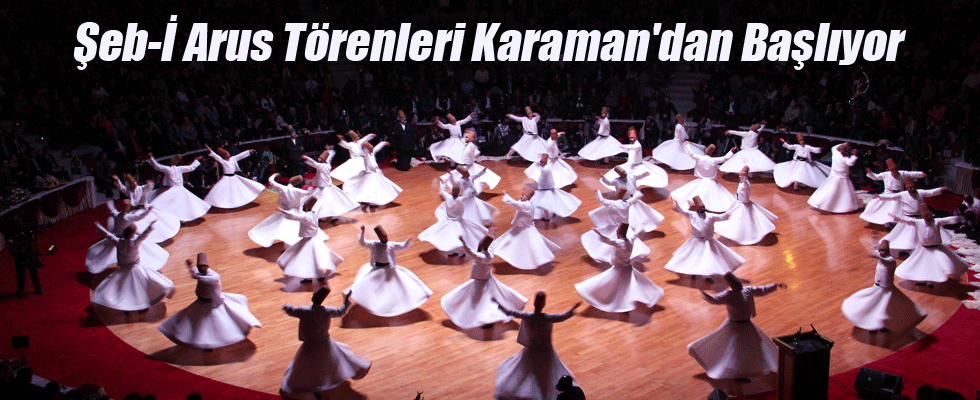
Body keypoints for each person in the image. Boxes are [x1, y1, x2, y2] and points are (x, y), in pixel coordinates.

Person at [687, 273, 787, 382]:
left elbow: (762, 290)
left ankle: (748, 369)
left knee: (749, 348)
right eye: (737, 284)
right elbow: (714, 300)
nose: (739, 285)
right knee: (738, 351)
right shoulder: (728, 295)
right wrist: (703, 292)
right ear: (732, 285)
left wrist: (775, 285)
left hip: (746, 325)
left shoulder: (747, 290)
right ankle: (738, 374)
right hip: (735, 326)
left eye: (739, 283)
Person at [157, 253, 263, 350]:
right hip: (201, 303)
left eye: (202, 267)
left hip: (212, 305)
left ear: (207, 267)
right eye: (200, 267)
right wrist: (190, 267)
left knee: (211, 325)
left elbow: (205, 279)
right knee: (200, 325)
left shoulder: (214, 276)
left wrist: (195, 275)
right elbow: (196, 273)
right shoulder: (201, 274)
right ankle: (206, 343)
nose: (201, 269)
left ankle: (211, 343)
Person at [280, 287, 371, 398]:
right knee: (327, 363)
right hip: (325, 343)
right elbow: (341, 311)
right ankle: (323, 384)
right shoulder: (327, 310)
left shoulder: (304, 310)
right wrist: (346, 301)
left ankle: (318, 387)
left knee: (311, 366)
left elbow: (291, 310)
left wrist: (286, 305)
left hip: (311, 345)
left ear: (313, 298)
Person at [494, 292, 581, 400]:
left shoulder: (528, 316)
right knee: (545, 376)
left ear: (534, 303)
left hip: (531, 351)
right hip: (546, 352)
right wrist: (573, 310)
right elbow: (562, 316)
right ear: (544, 304)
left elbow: (510, 312)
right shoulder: (548, 318)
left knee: (524, 372)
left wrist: (498, 303)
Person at [441, 235, 528, 330]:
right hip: (485, 279)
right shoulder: (488, 254)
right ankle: (487, 320)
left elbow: (470, 252)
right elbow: (489, 247)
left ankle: (486, 320)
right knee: (483, 301)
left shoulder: (483, 257)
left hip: (481, 282)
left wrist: (463, 243)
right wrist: (492, 236)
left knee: (481, 302)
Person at [575, 223, 664, 313]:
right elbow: (635, 234)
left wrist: (598, 234)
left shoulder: (619, 243)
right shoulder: (630, 240)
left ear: (619, 233)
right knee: (625, 287)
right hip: (628, 268)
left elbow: (607, 240)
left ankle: (614, 303)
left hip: (618, 269)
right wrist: (640, 229)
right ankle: (626, 305)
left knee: (605, 284)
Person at [841, 241, 926, 333]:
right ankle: (876, 325)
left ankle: (879, 325)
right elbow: (876, 250)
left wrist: (876, 257)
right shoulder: (882, 257)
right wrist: (874, 239)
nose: (881, 253)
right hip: (877, 287)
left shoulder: (890, 260)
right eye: (880, 251)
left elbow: (884, 261)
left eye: (883, 251)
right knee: (876, 307)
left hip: (886, 290)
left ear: (887, 251)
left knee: (883, 309)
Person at [346, 226, 432, 317]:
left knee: (394, 287)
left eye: (386, 236)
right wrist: (363, 233)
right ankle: (376, 303)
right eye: (384, 237)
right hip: (377, 269)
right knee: (374, 287)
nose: (386, 238)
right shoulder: (374, 244)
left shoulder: (391, 245)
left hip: (389, 270)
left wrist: (408, 241)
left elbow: (402, 246)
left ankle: (394, 303)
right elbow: (363, 243)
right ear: (380, 238)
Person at [90, 222, 175, 312]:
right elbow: (144, 235)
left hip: (123, 270)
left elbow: (108, 235)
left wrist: (98, 227)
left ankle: (127, 307)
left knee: (124, 289)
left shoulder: (118, 242)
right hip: (135, 269)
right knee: (141, 287)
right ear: (133, 234)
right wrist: (150, 227)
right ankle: (143, 305)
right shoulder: (135, 242)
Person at [664, 197, 744, 281]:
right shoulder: (692, 215)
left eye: (703, 207)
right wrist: (677, 203)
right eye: (700, 207)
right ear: (697, 208)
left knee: (707, 259)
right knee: (694, 257)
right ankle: (693, 272)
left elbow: (721, 217)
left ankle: (707, 276)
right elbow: (683, 211)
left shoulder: (710, 216)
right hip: (696, 241)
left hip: (708, 241)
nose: (702, 209)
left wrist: (727, 214)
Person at [892, 205, 969, 286]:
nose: (928, 217)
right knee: (923, 265)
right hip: (924, 249)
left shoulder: (936, 221)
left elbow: (946, 220)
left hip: (936, 248)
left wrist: (956, 218)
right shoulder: (918, 222)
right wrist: (896, 217)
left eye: (929, 215)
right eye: (926, 216)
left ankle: (931, 281)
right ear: (923, 216)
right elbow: (907, 220)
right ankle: (922, 280)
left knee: (934, 265)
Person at [85, 200, 169, 274]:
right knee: (135, 254)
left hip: (118, 238)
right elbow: (140, 217)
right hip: (123, 239)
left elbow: (111, 209)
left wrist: (108, 201)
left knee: (121, 254)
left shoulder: (116, 214)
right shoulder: (128, 217)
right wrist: (149, 213)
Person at [277, 197, 343, 283]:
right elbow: (318, 205)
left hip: (308, 241)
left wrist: (283, 211)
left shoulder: (306, 216)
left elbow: (294, 216)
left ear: (306, 207)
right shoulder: (314, 213)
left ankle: (309, 277)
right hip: (315, 239)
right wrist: (317, 199)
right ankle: (320, 275)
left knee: (307, 258)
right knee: (315, 258)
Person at [248, 174, 323, 248]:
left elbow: (270, 181)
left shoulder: (281, 188)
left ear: (289, 181)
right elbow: (309, 193)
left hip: (286, 211)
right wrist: (310, 185)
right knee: (293, 229)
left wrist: (275, 175)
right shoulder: (297, 190)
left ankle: (290, 244)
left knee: (279, 227)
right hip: (295, 212)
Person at [493, 190, 561, 271]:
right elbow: (517, 203)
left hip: (526, 228)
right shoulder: (525, 203)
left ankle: (539, 259)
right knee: (510, 239)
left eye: (523, 196)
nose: (521, 197)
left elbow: (516, 204)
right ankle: (497, 249)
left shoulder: (527, 205)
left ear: (528, 198)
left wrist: (506, 195)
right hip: (522, 226)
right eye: (522, 195)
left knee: (532, 245)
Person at [419, 182, 489, 256]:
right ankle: (461, 252)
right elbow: (469, 193)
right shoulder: (460, 199)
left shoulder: (448, 197)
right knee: (460, 237)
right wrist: (468, 185)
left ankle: (453, 251)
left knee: (450, 237)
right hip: (458, 222)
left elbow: (442, 192)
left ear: (452, 191)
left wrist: (444, 184)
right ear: (458, 192)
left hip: (448, 222)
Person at [879, 178, 949, 253]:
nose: (912, 189)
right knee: (908, 236)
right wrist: (880, 196)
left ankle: (920, 247)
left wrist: (940, 189)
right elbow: (892, 197)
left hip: (920, 218)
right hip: (908, 218)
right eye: (910, 188)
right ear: (907, 188)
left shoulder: (920, 192)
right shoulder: (903, 194)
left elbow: (930, 192)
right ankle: (907, 249)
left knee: (920, 235)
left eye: (913, 187)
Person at [714, 166, 778, 245]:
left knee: (742, 220)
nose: (741, 176)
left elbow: (744, 192)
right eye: (740, 175)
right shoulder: (743, 183)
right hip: (741, 203)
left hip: (743, 204)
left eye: (743, 175)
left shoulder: (745, 184)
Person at [670, 142, 737, 212]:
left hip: (702, 180)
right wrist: (731, 152)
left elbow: (690, 153)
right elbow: (725, 158)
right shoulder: (714, 160)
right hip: (711, 181)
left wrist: (687, 145)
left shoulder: (700, 158)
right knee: (713, 196)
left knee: (694, 192)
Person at [113, 174, 180, 243]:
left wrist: (150, 183)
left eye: (134, 182)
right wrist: (117, 180)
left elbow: (149, 187)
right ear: (130, 185)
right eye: (132, 184)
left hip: (143, 208)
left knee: (154, 221)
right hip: (135, 210)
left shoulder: (142, 188)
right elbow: (121, 188)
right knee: (137, 224)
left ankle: (158, 235)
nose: (134, 184)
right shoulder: (129, 191)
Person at [860, 159, 927, 225]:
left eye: (895, 169)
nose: (894, 171)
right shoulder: (886, 174)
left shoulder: (901, 173)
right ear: (890, 170)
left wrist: (921, 174)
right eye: (892, 170)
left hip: (898, 194)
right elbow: (876, 177)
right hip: (888, 194)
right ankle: (887, 222)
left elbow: (911, 174)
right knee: (885, 209)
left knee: (897, 209)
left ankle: (895, 221)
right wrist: (870, 173)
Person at [147, 152, 211, 222]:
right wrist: (197, 160)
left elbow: (157, 166)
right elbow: (191, 167)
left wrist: (151, 158)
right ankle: (183, 218)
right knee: (181, 205)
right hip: (180, 189)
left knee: (168, 204)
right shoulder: (180, 169)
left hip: (172, 190)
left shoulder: (169, 169)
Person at [601, 127, 668, 188]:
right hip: (630, 164)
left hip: (637, 165)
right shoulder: (632, 144)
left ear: (635, 138)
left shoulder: (637, 145)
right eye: (630, 138)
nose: (631, 139)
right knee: (621, 174)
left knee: (640, 176)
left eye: (632, 138)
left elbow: (632, 147)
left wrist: (622, 146)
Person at [341, 141, 402, 206]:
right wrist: (377, 170)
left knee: (368, 188)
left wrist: (383, 143)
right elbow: (372, 166)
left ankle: (367, 200)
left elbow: (377, 148)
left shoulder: (370, 153)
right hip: (371, 174)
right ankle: (371, 202)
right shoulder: (367, 155)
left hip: (372, 173)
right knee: (371, 189)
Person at [440, 129, 502, 193]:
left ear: (470, 139)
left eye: (467, 138)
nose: (465, 139)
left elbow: (476, 154)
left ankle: (471, 191)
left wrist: (472, 158)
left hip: (469, 166)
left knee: (471, 178)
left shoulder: (471, 146)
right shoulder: (467, 145)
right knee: (463, 177)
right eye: (466, 137)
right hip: (466, 165)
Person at [302, 150, 358, 221]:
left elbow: (314, 164)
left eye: (320, 158)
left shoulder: (322, 166)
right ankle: (330, 216)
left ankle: (323, 216)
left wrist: (307, 158)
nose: (318, 159)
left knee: (322, 202)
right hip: (324, 187)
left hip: (324, 188)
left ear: (323, 160)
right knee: (329, 203)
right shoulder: (327, 165)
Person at [807, 142, 861, 213]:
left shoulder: (835, 154)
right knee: (842, 193)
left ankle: (824, 204)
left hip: (834, 177)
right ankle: (835, 206)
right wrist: (854, 155)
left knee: (831, 191)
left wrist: (843, 144)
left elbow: (833, 147)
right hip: (842, 179)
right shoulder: (844, 159)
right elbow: (851, 163)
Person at [529, 154, 582, 220]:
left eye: (542, 162)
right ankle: (548, 216)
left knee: (544, 204)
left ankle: (548, 216)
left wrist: (541, 187)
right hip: (546, 188)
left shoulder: (546, 169)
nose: (541, 163)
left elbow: (544, 179)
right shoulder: (546, 168)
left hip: (546, 189)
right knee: (546, 204)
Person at [6, 217, 43, 297]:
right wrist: (23, 243)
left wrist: (32, 236)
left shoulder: (24, 227)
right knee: (20, 272)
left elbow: (32, 234)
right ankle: (21, 289)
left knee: (32, 270)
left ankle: (37, 287)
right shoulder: (10, 231)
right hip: (18, 253)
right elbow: (10, 243)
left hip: (28, 251)